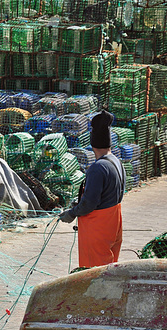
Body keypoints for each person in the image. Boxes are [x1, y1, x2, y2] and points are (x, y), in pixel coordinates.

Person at [59, 110, 125, 268]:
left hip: (98, 228)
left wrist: (72, 213)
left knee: (94, 273)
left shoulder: (98, 167)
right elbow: (107, 192)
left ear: (92, 144)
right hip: (114, 222)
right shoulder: (116, 161)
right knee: (109, 268)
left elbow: (90, 203)